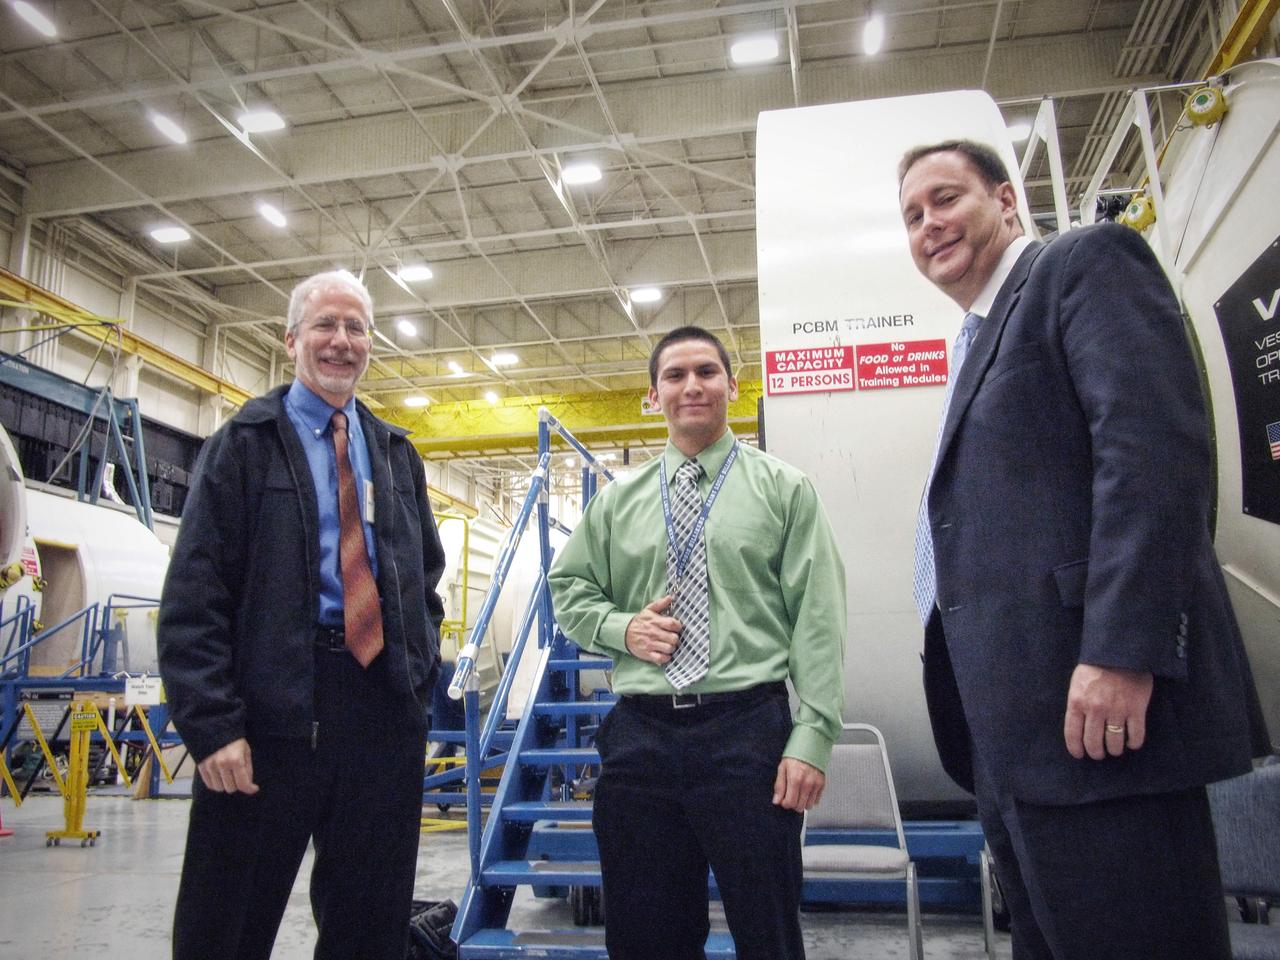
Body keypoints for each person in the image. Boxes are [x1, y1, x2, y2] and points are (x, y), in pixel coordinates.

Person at [900, 139, 1267, 960]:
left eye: (946, 199)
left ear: (1006, 199)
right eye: (913, 215)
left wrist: (1121, 651)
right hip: (1018, 743)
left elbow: (1154, 457)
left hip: (1101, 721)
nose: (929, 225)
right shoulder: (977, 338)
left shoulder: (1083, 265)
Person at [157, 269, 445, 960]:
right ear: (291, 340)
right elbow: (195, 594)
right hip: (267, 717)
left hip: (379, 714)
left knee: (369, 925)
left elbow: (424, 579)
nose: (341, 341)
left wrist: (416, 681)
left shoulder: (395, 454)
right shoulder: (244, 444)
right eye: (325, 325)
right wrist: (213, 727)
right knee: (226, 923)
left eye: (355, 328)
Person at [548, 326, 846, 960]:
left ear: (733, 387)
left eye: (707, 372)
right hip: (641, 739)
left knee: (767, 934)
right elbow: (568, 589)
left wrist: (813, 737)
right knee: (644, 938)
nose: (692, 386)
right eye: (675, 375)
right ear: (652, 396)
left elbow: (818, 619)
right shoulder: (617, 502)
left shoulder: (784, 489)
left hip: (748, 736)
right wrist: (621, 628)